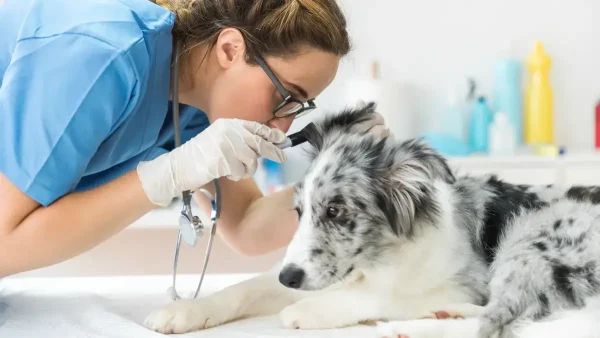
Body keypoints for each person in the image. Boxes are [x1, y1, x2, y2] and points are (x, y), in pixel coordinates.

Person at [0, 0, 382, 278]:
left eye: (299, 107)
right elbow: (5, 244)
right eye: (284, 97)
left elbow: (248, 227)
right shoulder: (101, 53)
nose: (282, 127)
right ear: (230, 49)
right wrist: (167, 175)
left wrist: (347, 178)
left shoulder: (199, 109)